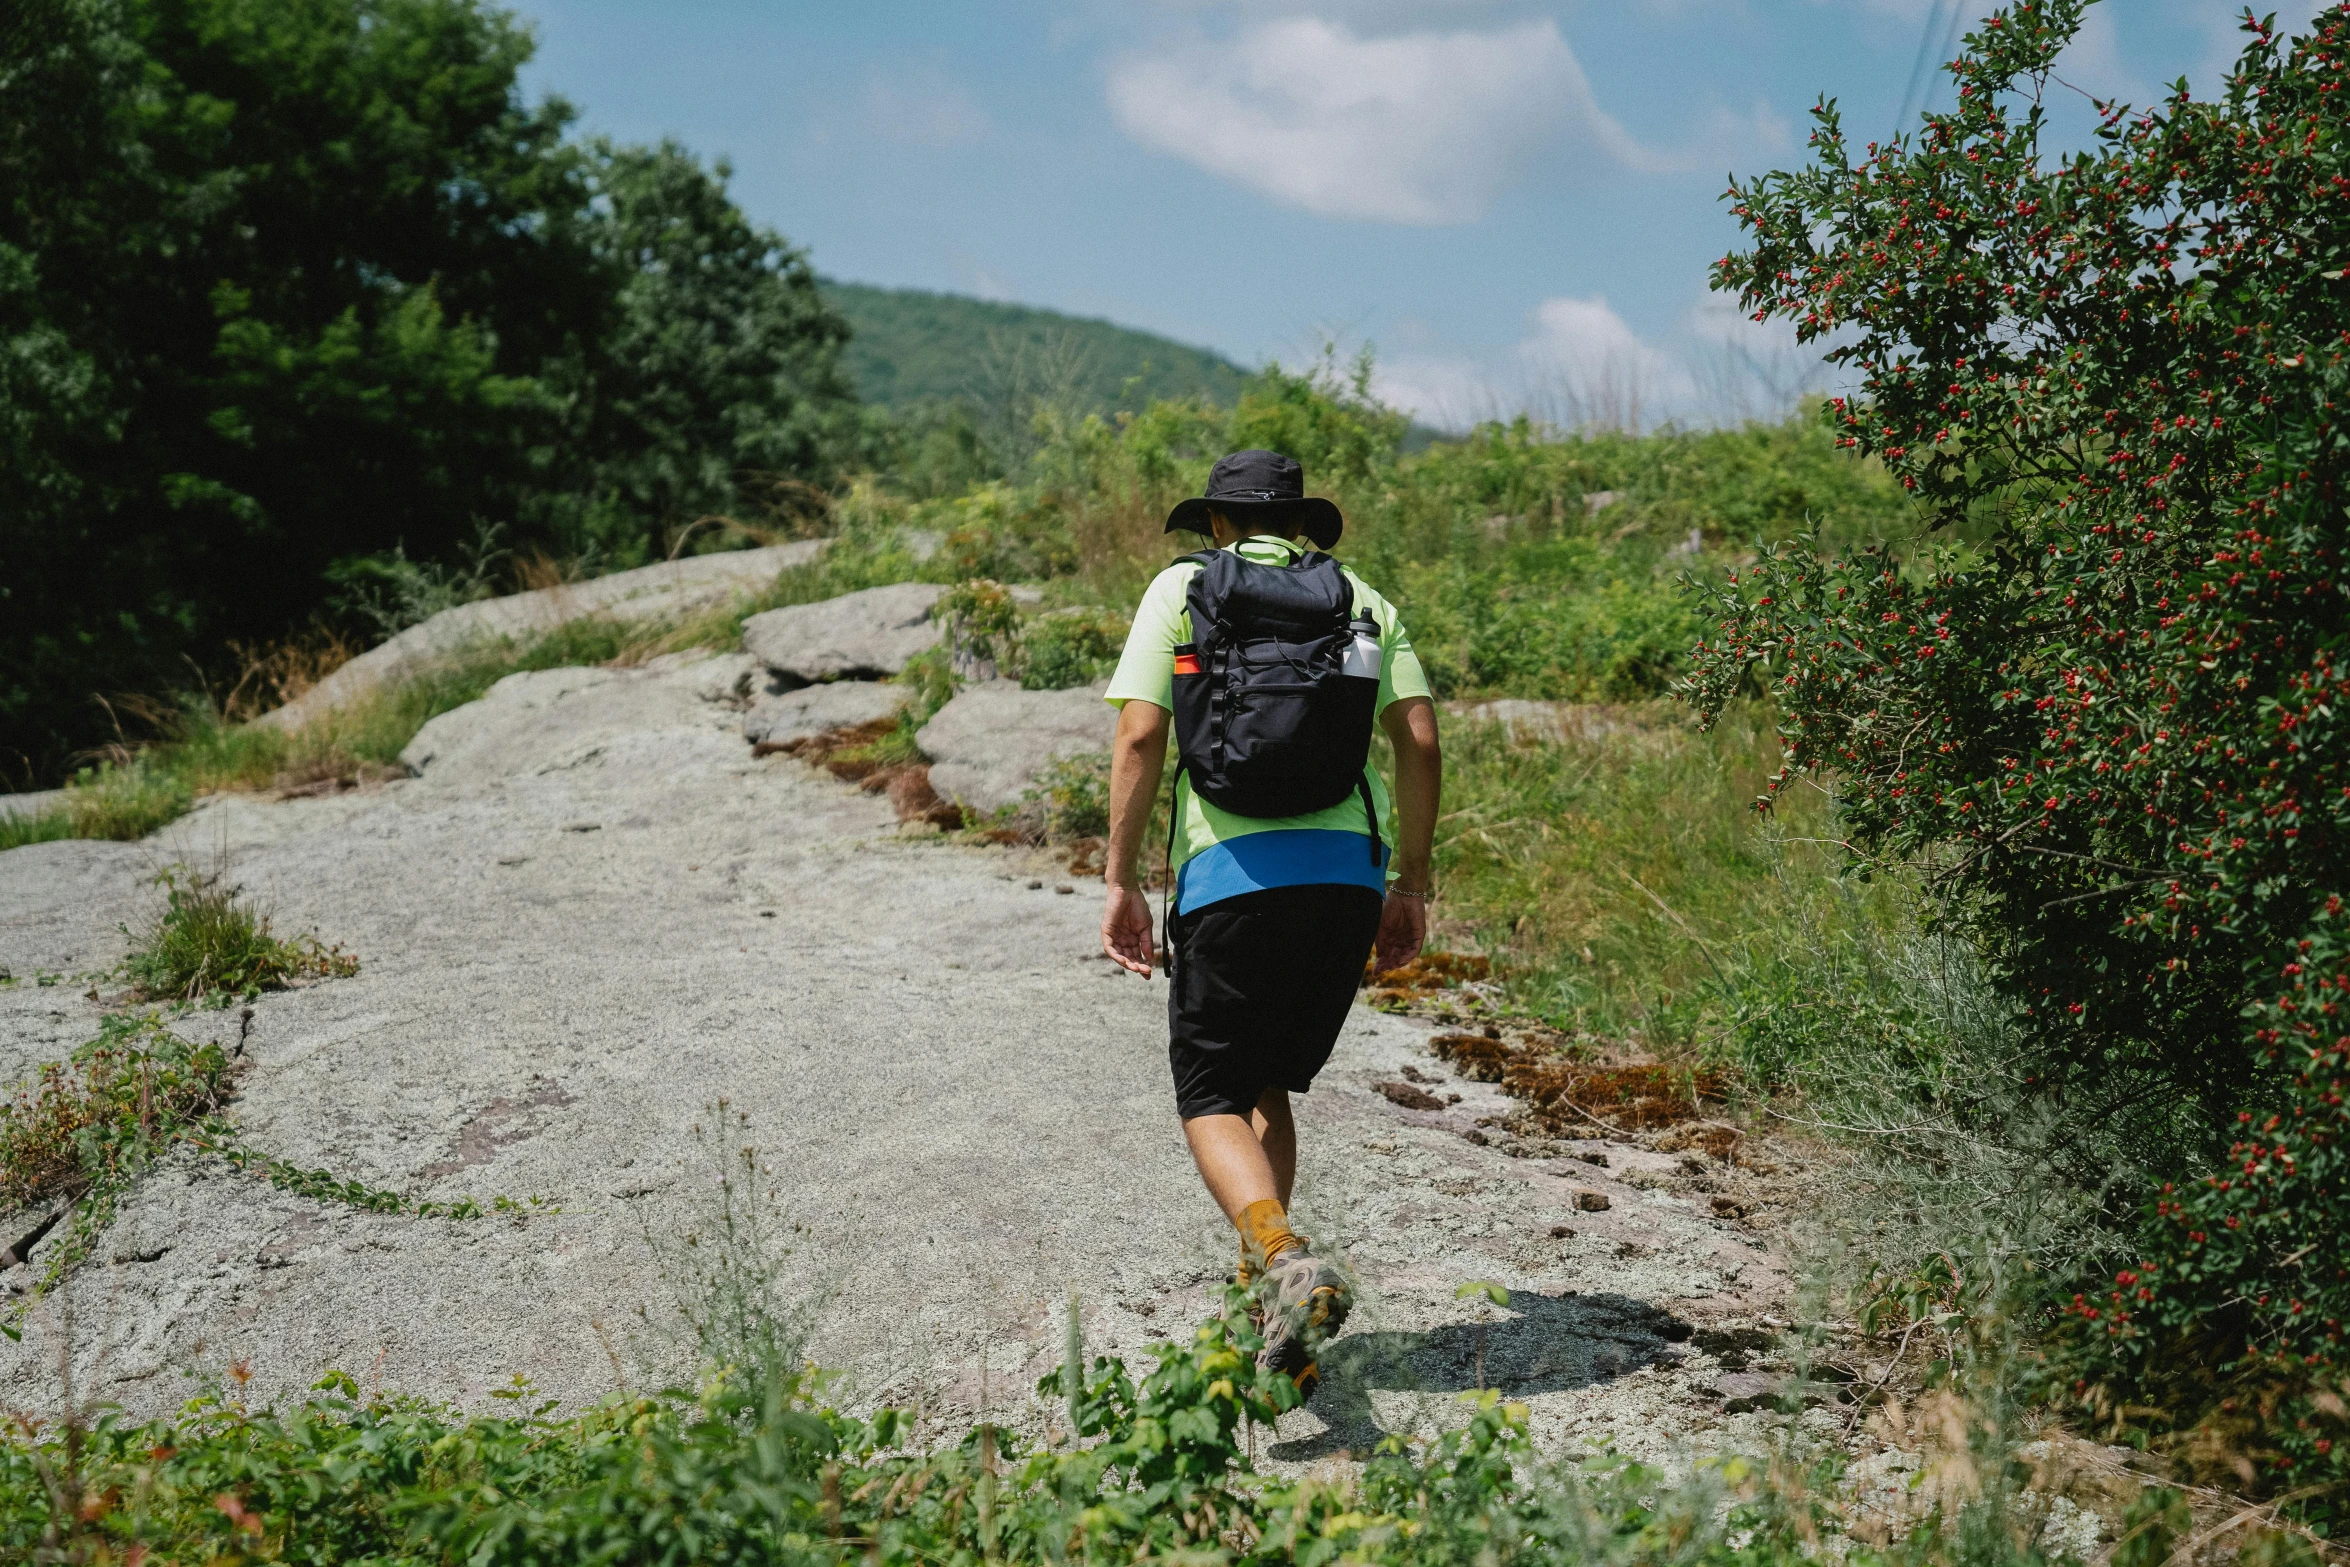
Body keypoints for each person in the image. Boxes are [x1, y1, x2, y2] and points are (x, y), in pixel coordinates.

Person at [1099, 448, 1441, 1395]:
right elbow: (1418, 735)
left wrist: (1120, 878)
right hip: (1344, 882)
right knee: (1264, 1084)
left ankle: (1285, 1258)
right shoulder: (1361, 598)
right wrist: (1409, 884)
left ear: (1216, 523)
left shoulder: (1183, 590)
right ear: (1302, 526)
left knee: (1208, 1089)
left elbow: (1138, 733)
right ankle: (1273, 1305)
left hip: (1230, 875)